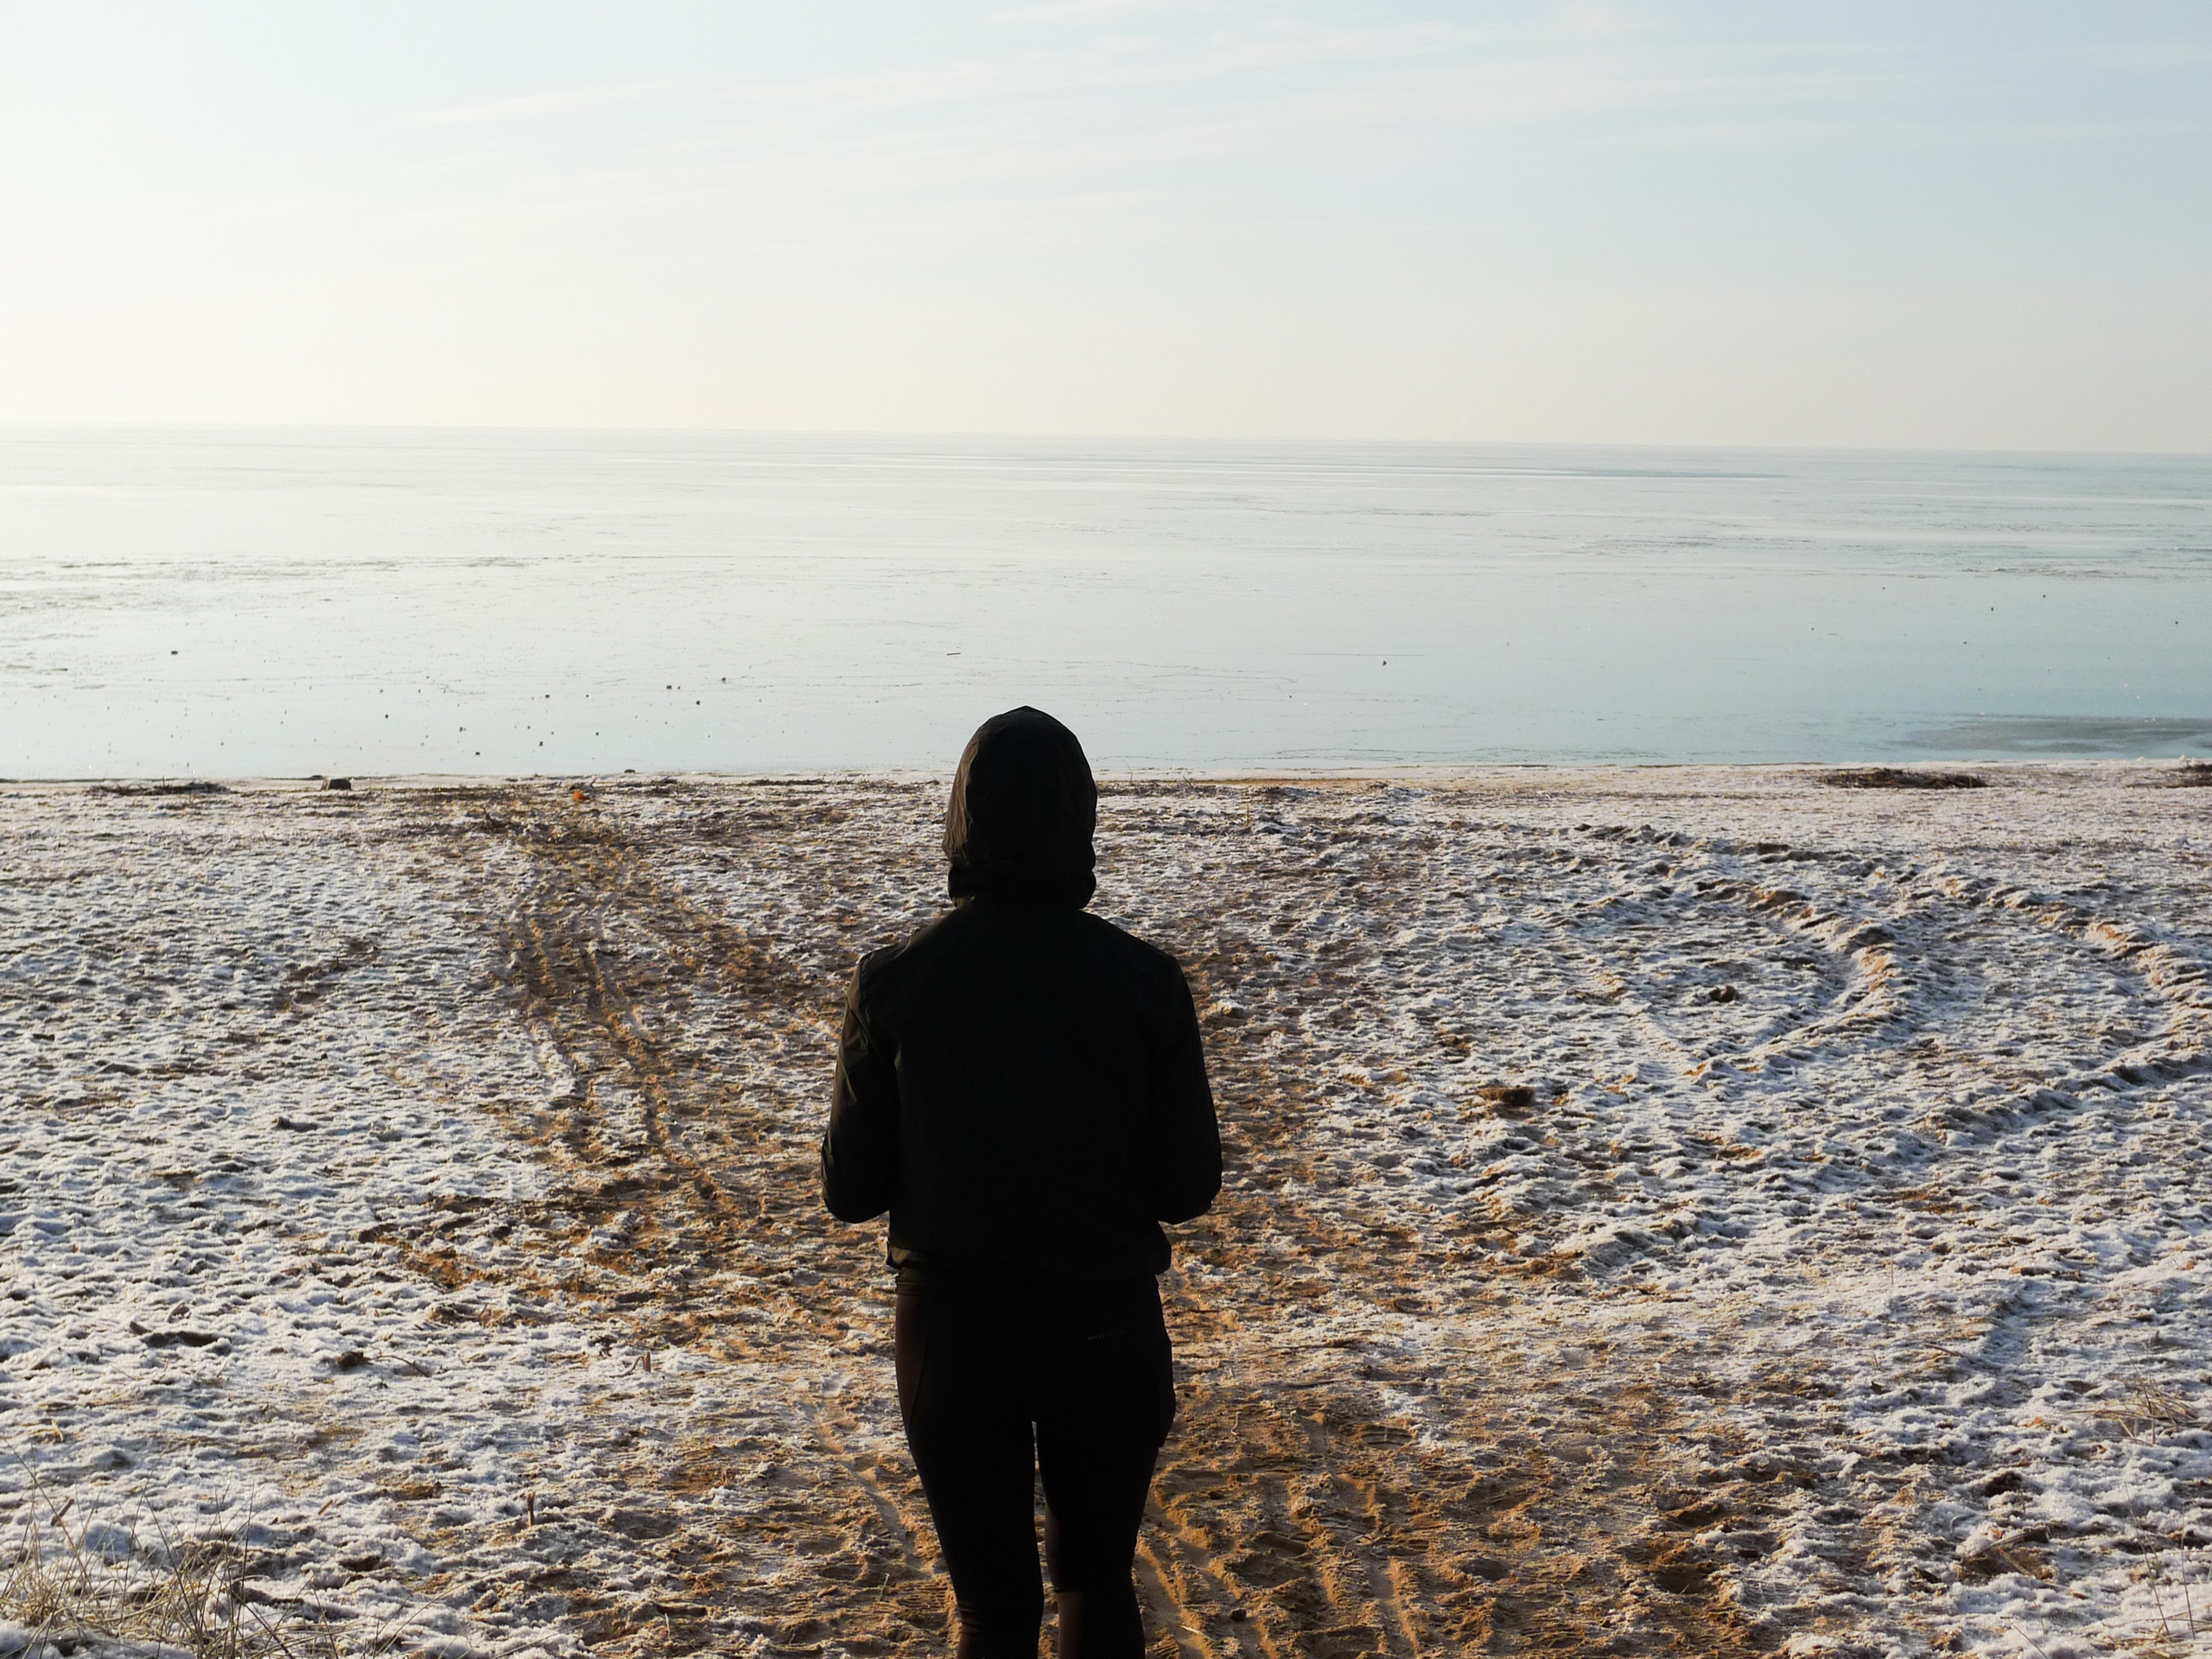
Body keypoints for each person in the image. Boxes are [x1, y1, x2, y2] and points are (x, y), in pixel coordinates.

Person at [822, 707, 1222, 1658]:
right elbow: (1187, 1185)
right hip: (1105, 1324)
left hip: (953, 1331)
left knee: (992, 1609)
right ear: (1080, 821)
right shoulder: (1145, 981)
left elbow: (849, 1191)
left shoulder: (895, 983)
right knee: (1096, 1584)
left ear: (960, 822)